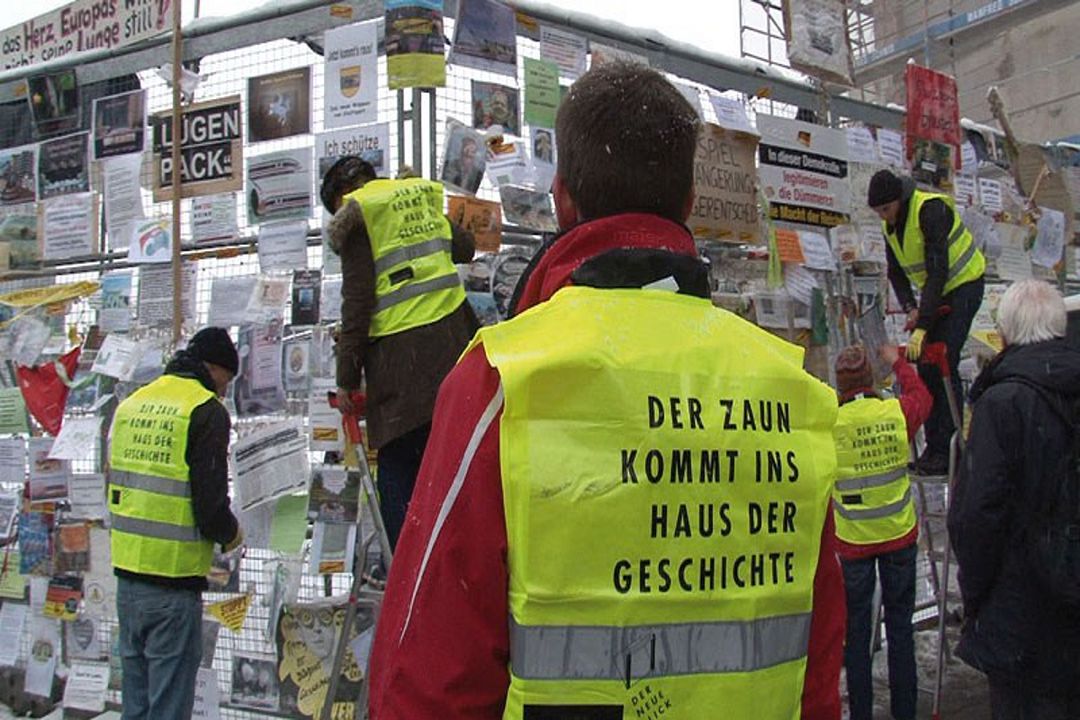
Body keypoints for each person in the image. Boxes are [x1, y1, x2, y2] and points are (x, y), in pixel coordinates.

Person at [369, 60, 845, 720]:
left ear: (563, 198)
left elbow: (428, 677)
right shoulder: (789, 390)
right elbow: (818, 666)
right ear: (686, 204)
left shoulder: (504, 380)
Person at [320, 157, 476, 549]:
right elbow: (465, 248)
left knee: (401, 487)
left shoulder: (359, 215)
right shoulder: (413, 198)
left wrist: (345, 380)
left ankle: (410, 579)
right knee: (454, 479)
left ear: (341, 197)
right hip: (457, 354)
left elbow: (357, 304)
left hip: (403, 376)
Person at [948, 279, 1080, 719]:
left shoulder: (1002, 402)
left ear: (1004, 334)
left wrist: (977, 596)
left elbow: (976, 516)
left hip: (1021, 614)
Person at [108, 327, 244, 720]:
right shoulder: (205, 411)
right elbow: (210, 506)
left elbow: (116, 485)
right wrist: (232, 535)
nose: (224, 391)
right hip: (172, 583)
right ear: (215, 368)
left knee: (136, 702)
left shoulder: (133, 403)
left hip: (128, 578)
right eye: (227, 380)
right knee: (168, 706)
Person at [832, 344, 932, 720]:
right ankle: (904, 711)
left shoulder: (832, 424)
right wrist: (899, 363)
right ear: (872, 380)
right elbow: (924, 397)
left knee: (857, 636)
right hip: (898, 537)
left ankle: (861, 713)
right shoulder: (896, 413)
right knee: (901, 628)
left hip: (855, 544)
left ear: (839, 387)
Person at [868, 168, 985, 475]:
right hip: (938, 293)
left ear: (899, 200)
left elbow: (938, 270)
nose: (883, 217)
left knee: (944, 357)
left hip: (964, 284)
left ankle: (955, 448)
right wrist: (910, 307)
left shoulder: (929, 210)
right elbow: (895, 273)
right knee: (925, 364)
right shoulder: (890, 227)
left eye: (886, 209)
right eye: (878, 212)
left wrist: (923, 324)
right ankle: (935, 448)